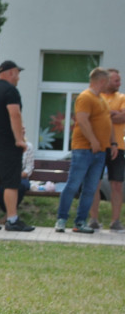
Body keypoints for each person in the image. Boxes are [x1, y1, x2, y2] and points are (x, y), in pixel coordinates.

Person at [55, 67, 116, 234]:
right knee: (73, 184)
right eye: (108, 81)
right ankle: (61, 219)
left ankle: (80, 222)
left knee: (90, 188)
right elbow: (82, 121)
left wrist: (114, 143)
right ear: (102, 81)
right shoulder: (85, 97)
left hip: (100, 152)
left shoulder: (102, 100)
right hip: (84, 149)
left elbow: (107, 122)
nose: (109, 84)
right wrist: (93, 140)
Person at [0, 61, 34, 231]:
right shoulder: (10, 91)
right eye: (17, 73)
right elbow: (15, 114)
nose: (18, 77)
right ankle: (12, 219)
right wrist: (19, 139)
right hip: (5, 142)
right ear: (11, 72)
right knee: (12, 181)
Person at [88, 68, 125, 232]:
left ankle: (115, 221)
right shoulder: (97, 97)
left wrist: (105, 115)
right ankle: (93, 219)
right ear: (106, 81)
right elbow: (92, 118)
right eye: (116, 80)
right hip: (99, 146)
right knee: (94, 183)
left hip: (119, 146)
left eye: (119, 80)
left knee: (116, 184)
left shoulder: (122, 97)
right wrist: (111, 114)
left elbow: (123, 117)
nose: (119, 83)